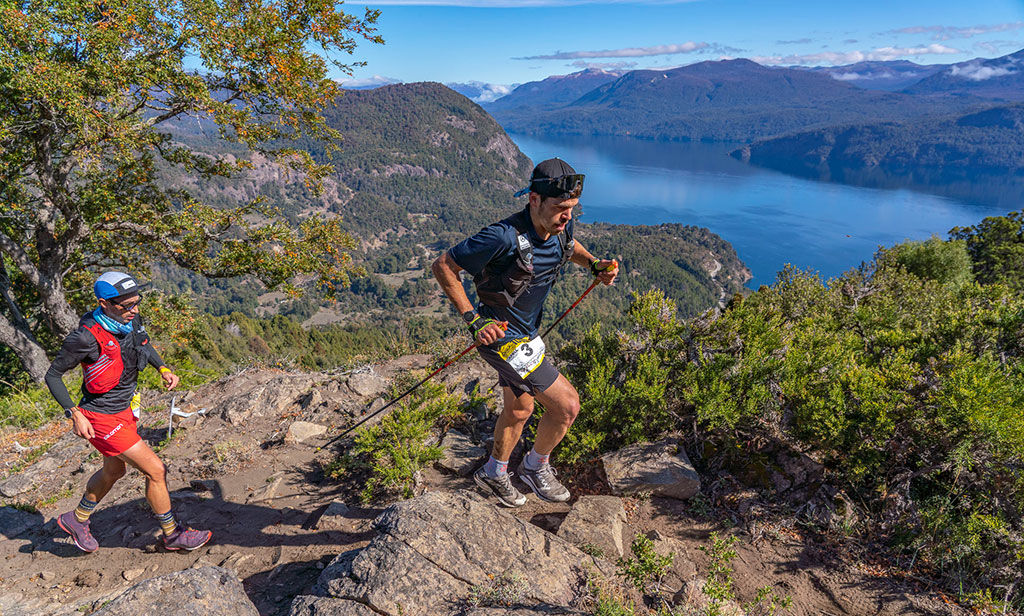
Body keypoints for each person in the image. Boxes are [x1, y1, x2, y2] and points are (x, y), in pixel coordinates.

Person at [432, 158, 618, 507]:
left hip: (528, 334)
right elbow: (444, 265)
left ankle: (494, 472)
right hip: (502, 337)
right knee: (566, 406)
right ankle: (535, 466)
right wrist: (474, 319)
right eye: (561, 208)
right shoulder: (502, 236)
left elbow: (569, 247)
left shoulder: (561, 228)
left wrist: (595, 265)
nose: (567, 217)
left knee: (519, 409)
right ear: (534, 199)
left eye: (572, 209)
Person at [45, 272, 212, 553]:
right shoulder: (84, 338)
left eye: (137, 302)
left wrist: (163, 368)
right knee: (156, 470)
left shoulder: (130, 319)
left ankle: (77, 519)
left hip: (124, 409)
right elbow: (53, 376)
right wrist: (74, 413)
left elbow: (144, 344)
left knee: (114, 470)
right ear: (104, 303)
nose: (134, 310)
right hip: (99, 416)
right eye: (127, 305)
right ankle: (172, 535)